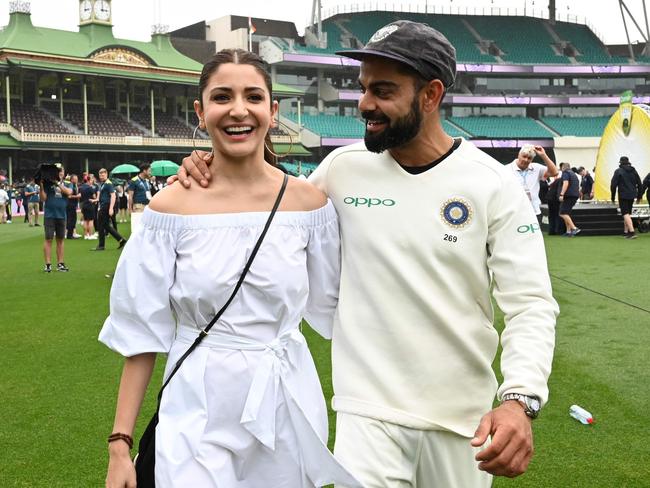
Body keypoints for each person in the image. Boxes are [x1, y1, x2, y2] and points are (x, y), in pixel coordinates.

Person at [177, 22, 559, 487]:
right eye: (362, 89)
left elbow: (531, 304)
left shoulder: (492, 184)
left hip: (462, 423)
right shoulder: (342, 169)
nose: (364, 104)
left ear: (430, 95)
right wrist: (208, 164)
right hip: (366, 416)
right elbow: (264, 203)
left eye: (383, 91)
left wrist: (518, 399)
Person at [100, 49, 361, 488]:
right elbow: (141, 331)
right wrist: (119, 445)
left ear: (272, 111)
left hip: (285, 396)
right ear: (201, 112)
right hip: (196, 402)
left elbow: (340, 309)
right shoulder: (169, 210)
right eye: (222, 97)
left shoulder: (310, 205)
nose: (239, 110)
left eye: (253, 97)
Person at [508, 144, 559, 225]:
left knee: (534, 237)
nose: (526, 160)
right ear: (519, 155)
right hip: (514, 212)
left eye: (529, 158)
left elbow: (555, 172)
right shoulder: (506, 169)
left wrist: (543, 155)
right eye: (524, 156)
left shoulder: (536, 168)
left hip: (534, 211)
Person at [39, 164, 72, 272]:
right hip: (50, 214)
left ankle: (60, 263)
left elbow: (68, 192)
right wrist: (42, 186)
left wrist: (57, 183)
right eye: (57, 171)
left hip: (61, 215)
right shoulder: (48, 184)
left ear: (64, 172)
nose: (59, 173)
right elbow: (43, 199)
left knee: (60, 239)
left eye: (61, 171)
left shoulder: (68, 183)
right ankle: (48, 264)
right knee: (48, 239)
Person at [92, 168, 127, 251]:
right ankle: (121, 240)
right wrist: (96, 200)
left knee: (101, 225)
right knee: (105, 225)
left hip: (105, 207)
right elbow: (105, 196)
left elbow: (113, 196)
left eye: (103, 174)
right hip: (103, 206)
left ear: (106, 174)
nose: (101, 176)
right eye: (100, 174)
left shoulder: (108, 184)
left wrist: (111, 208)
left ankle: (101, 245)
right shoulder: (104, 183)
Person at [610, 156, 643, 239]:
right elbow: (639, 184)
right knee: (628, 213)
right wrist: (639, 196)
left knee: (625, 213)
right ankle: (626, 231)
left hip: (623, 195)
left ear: (620, 163)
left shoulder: (618, 171)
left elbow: (613, 185)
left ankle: (632, 232)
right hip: (632, 195)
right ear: (628, 162)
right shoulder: (634, 171)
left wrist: (613, 197)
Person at [558, 163, 581, 237]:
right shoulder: (573, 174)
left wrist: (562, 194)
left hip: (568, 196)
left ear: (563, 167)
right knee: (566, 213)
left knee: (562, 213)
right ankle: (568, 231)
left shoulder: (565, 173)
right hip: (574, 195)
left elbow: (565, 183)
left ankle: (574, 228)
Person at [79, 175, 98, 239]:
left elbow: (81, 196)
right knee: (90, 220)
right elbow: (94, 197)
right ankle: (90, 235)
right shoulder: (90, 188)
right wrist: (95, 199)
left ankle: (86, 235)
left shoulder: (81, 187)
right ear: (88, 180)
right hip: (90, 205)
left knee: (85, 220)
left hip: (84, 205)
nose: (92, 181)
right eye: (91, 180)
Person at [65, 174, 81, 239]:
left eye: (77, 179)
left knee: (73, 219)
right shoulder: (70, 185)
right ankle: (69, 235)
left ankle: (70, 234)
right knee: (71, 219)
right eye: (75, 179)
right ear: (71, 179)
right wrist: (77, 196)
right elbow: (69, 196)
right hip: (70, 205)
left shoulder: (74, 185)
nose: (76, 180)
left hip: (73, 205)